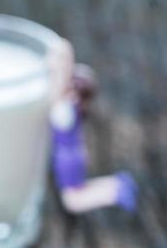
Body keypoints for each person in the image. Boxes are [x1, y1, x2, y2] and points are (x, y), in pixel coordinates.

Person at [50, 40, 137, 214]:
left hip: (67, 159)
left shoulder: (63, 109)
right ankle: (117, 184)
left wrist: (64, 58)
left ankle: (116, 193)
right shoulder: (71, 107)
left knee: (72, 201)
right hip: (73, 155)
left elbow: (57, 88)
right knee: (79, 188)